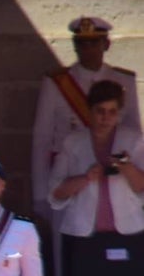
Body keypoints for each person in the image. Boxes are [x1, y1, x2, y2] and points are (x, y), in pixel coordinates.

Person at [48, 80, 144, 276]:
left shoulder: (134, 139)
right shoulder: (73, 143)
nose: (105, 118)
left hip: (125, 233)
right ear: (90, 112)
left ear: (119, 113)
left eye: (112, 112)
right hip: (84, 236)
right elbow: (56, 193)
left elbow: (142, 187)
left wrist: (126, 167)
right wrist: (86, 178)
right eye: (100, 111)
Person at [32, 16, 140, 222]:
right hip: (70, 175)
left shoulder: (124, 80)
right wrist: (40, 195)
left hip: (114, 179)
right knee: (66, 245)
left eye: (94, 43)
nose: (87, 49)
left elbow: (134, 134)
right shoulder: (57, 82)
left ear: (106, 44)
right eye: (81, 44)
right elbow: (42, 140)